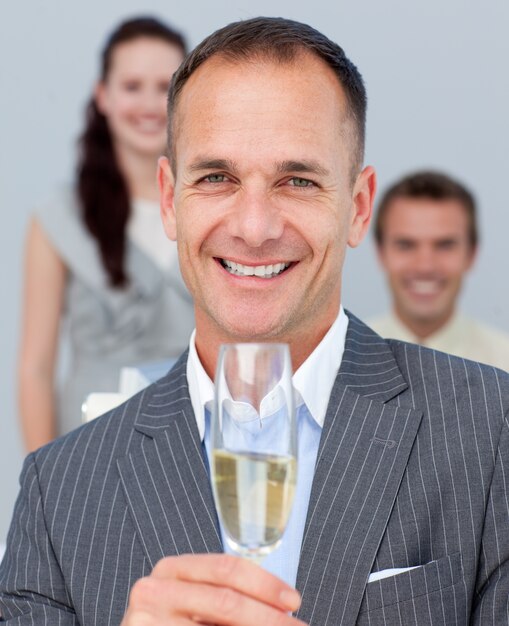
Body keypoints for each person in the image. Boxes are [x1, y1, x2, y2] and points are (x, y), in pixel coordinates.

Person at [1, 16, 508, 626]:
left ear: (357, 207)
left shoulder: (493, 431)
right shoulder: (60, 491)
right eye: (217, 178)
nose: (254, 227)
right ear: (170, 200)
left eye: (297, 181)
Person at [18, 16, 195, 452]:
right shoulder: (59, 218)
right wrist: (44, 485)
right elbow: (35, 369)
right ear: (104, 97)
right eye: (132, 86)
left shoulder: (217, 206)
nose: (151, 103)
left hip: (197, 447)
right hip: (90, 451)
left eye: (166, 86)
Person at [369, 170, 509, 371]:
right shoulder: (338, 364)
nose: (425, 266)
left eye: (444, 245)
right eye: (406, 245)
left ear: (471, 253)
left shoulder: (505, 365)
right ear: (381, 252)